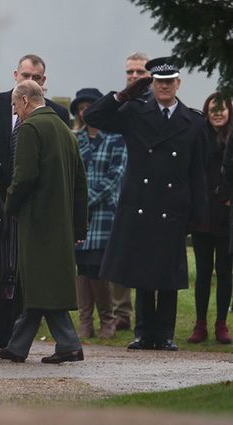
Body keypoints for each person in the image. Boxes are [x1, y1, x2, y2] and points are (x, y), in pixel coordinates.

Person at [84, 57, 207, 351]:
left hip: (174, 204)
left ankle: (164, 334)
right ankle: (143, 333)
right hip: (140, 202)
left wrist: (198, 213)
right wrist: (123, 94)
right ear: (152, 83)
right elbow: (94, 118)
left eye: (169, 82)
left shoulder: (193, 121)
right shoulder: (135, 111)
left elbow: (198, 171)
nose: (164, 87)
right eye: (159, 82)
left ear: (178, 84)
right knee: (141, 271)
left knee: (167, 273)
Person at [0, 54, 70, 360]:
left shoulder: (56, 113)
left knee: (25, 274)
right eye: (25, 75)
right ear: (15, 75)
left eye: (38, 77)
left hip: (32, 206)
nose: (31, 80)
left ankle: (17, 342)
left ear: (45, 82)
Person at [0, 80, 88, 364]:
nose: (15, 111)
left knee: (41, 284)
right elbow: (80, 182)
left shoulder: (30, 128)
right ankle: (19, 346)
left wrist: (9, 205)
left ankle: (69, 345)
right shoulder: (64, 129)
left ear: (24, 101)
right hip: (61, 222)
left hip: (37, 220)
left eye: (14, 105)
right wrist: (79, 225)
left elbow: (24, 177)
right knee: (40, 284)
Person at [70, 88, 126, 339]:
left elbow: (115, 176)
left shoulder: (116, 138)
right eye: (81, 107)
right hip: (80, 216)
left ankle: (108, 319)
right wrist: (78, 204)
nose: (85, 111)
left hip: (105, 213)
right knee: (82, 265)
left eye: (89, 106)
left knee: (98, 265)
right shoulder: (74, 138)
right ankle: (85, 321)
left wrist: (87, 200)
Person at [110, 51, 151, 332]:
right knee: (120, 251)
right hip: (121, 186)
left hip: (149, 187)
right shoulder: (123, 105)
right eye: (130, 73)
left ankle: (148, 315)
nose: (134, 77)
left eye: (139, 72)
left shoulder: (156, 103)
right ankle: (120, 311)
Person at [191, 93, 233, 344]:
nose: (217, 113)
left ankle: (221, 324)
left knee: (225, 271)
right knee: (203, 271)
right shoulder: (200, 137)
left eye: (222, 109)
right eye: (213, 109)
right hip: (202, 213)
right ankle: (200, 324)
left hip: (226, 213)